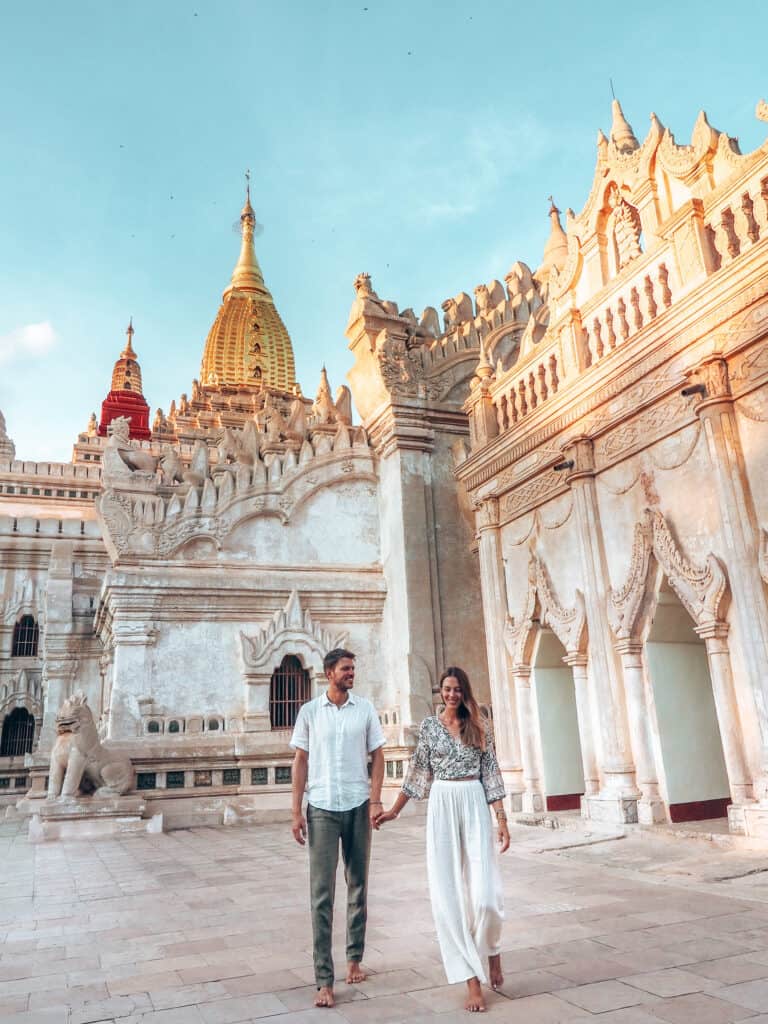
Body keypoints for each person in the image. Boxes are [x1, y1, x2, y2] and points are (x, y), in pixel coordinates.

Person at [376, 666, 510, 1013]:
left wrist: (502, 819)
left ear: (465, 692)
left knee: (487, 896)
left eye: (457, 689)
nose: (452, 695)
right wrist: (394, 811)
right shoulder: (430, 727)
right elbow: (418, 772)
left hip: (475, 800)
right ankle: (471, 979)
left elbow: (491, 772)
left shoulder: (479, 726)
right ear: (441, 692)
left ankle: (492, 950)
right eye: (447, 690)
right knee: (447, 893)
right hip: (442, 804)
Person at [290, 647, 386, 1009]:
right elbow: (301, 760)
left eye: (353, 669)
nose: (351, 674)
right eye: (345, 669)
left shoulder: (364, 709)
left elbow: (378, 755)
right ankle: (324, 979)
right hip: (322, 808)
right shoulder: (310, 712)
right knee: (322, 894)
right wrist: (295, 811)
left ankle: (354, 959)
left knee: (358, 883)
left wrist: (376, 799)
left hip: (358, 805)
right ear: (329, 672)